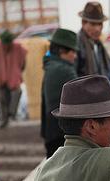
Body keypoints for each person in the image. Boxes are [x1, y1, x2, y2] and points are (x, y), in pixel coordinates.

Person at [41, 28, 79, 158]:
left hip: (51, 133)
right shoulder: (65, 70)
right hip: (61, 134)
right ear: (62, 51)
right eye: (72, 51)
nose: (75, 55)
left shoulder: (50, 66)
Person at [0, 30, 27, 128]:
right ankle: (3, 119)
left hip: (12, 76)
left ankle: (11, 113)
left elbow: (22, 63)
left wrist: (16, 73)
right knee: (1, 98)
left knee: (17, 91)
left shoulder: (17, 48)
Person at [76, 2, 110, 77]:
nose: (97, 29)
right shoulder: (76, 44)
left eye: (100, 24)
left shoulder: (99, 44)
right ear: (83, 23)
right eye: (93, 24)